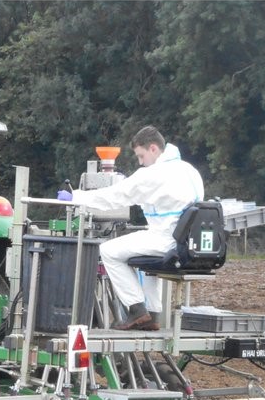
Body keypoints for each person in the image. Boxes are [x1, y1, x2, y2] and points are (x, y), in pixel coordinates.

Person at [57, 126, 204, 330]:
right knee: (147, 262)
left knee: (108, 251)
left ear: (153, 149)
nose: (140, 162)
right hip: (188, 241)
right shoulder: (189, 170)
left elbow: (116, 196)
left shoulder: (155, 173)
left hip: (167, 239)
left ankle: (136, 310)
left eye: (141, 156)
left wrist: (76, 197)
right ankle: (153, 315)